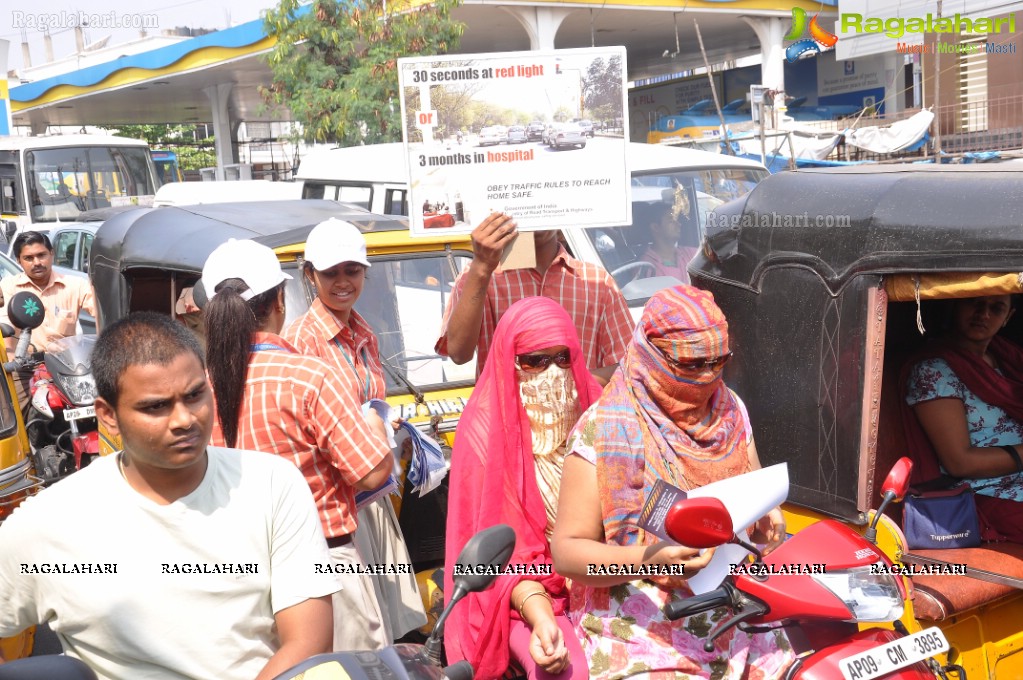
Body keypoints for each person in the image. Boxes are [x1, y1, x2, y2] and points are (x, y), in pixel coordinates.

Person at [0, 312, 337, 679]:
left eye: (194, 395)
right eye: (156, 406)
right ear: (108, 416)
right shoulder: (48, 522)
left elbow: (309, 641)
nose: (185, 419)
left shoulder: (272, 484)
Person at [551, 285, 792, 679]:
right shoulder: (604, 430)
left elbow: (753, 487)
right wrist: (649, 560)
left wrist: (769, 515)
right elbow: (567, 553)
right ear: (650, 353)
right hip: (642, 622)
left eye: (718, 361)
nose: (707, 376)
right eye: (692, 364)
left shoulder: (729, 411)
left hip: (736, 605)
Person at [201, 238, 395, 651]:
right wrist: (374, 422)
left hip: (236, 577)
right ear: (279, 302)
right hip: (323, 569)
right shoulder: (309, 377)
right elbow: (372, 472)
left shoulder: (197, 387)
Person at [282, 219, 428, 641]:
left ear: (366, 272)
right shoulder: (301, 340)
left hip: (372, 492)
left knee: (386, 626)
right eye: (331, 273)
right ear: (310, 276)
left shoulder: (362, 331)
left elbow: (365, 406)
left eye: (352, 270)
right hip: (336, 497)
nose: (342, 282)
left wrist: (385, 426)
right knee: (356, 631)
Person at [445, 297, 603, 680]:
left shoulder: (596, 414)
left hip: (600, 577)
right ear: (508, 362)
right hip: (518, 596)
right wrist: (542, 614)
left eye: (562, 358)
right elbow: (495, 563)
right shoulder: (484, 433)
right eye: (533, 361)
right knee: (568, 673)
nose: (552, 374)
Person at [435, 213, 633, 385]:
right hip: (504, 424)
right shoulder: (480, 276)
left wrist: (572, 384)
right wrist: (481, 266)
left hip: (579, 424)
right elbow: (459, 353)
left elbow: (628, 364)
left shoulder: (597, 282)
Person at [903, 294, 1023, 542]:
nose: (984, 314)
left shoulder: (1009, 359)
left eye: (996, 307)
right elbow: (959, 462)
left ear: (1007, 318)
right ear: (954, 304)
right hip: (986, 493)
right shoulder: (934, 370)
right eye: (974, 303)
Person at [0, 231, 96, 411]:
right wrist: (13, 363)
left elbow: (101, 313)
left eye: (41, 255)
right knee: (13, 415)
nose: (36, 262)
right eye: (28, 258)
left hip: (69, 367)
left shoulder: (75, 285)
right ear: (19, 260)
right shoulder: (7, 287)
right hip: (24, 367)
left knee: (101, 408)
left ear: (52, 254)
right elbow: (7, 327)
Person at [637, 202, 700, 285]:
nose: (678, 224)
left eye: (677, 220)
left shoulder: (691, 254)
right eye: (671, 221)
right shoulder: (646, 267)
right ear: (655, 227)